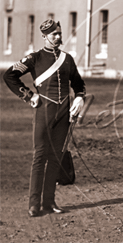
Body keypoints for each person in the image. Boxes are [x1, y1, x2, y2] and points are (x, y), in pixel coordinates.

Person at [3, 19, 86, 217]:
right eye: (53, 34)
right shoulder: (34, 58)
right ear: (44, 37)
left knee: (55, 159)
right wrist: (29, 95)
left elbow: (78, 83)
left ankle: (49, 203)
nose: (58, 37)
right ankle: (34, 204)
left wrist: (80, 98)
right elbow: (9, 76)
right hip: (43, 112)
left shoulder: (67, 59)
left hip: (64, 113)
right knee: (39, 158)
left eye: (59, 33)